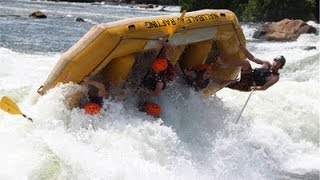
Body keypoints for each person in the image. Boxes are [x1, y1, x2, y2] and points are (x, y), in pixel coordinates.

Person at [219, 44, 286, 91]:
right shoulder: (266, 63)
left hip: (248, 85)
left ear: (281, 66)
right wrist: (243, 48)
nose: (276, 63)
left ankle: (213, 80)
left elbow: (264, 88)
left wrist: (256, 88)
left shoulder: (275, 77)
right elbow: (252, 58)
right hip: (249, 75)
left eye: (279, 63)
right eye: (276, 61)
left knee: (224, 83)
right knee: (246, 62)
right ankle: (224, 65)